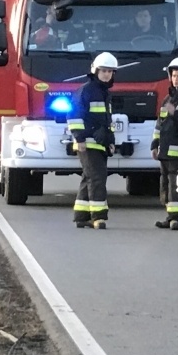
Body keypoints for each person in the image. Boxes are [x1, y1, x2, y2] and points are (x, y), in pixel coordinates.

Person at [69, 52, 119, 228]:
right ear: (95, 71)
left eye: (110, 71)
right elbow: (74, 115)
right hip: (87, 143)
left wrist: (111, 140)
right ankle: (98, 217)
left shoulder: (104, 93)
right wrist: (80, 138)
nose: (107, 74)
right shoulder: (86, 90)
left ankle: (81, 216)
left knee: (89, 177)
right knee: (97, 178)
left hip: (100, 143)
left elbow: (106, 121)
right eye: (103, 71)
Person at [153, 57, 178, 229]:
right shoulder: (167, 100)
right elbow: (159, 125)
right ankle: (171, 217)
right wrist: (153, 145)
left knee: (176, 185)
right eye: (175, 75)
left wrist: (175, 114)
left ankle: (177, 218)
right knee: (166, 184)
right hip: (165, 151)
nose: (177, 79)